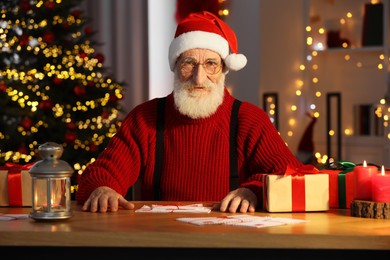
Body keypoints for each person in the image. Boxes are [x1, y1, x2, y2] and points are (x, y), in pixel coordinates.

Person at [76, 11, 303, 214]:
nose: (199, 78)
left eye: (211, 64)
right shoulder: (145, 118)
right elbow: (98, 175)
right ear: (175, 66)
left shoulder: (249, 120)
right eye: (189, 63)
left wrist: (254, 191)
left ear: (224, 69)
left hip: (232, 243)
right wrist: (102, 189)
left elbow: (292, 176)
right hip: (162, 240)